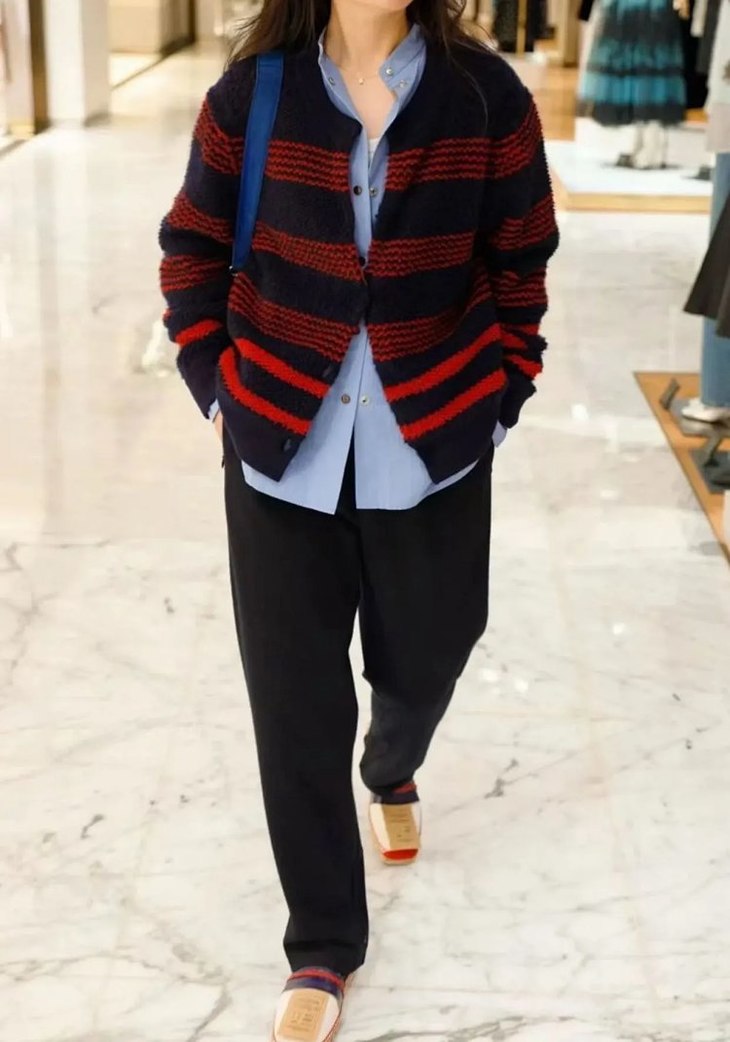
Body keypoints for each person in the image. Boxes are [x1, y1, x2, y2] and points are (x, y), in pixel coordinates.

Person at [159, 0, 558, 1034]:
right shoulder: (254, 94)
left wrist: (500, 398)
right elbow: (192, 250)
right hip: (280, 452)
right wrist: (220, 392)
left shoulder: (485, 98)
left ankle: (392, 763)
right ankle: (323, 943)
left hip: (433, 447)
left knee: (431, 652)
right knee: (293, 708)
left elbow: (521, 263)